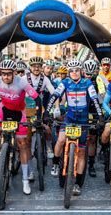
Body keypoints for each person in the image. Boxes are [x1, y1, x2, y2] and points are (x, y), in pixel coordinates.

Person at [44, 59, 104, 196]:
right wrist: (47, 112)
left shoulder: (87, 83)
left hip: (83, 120)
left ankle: (78, 183)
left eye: (77, 70)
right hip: (70, 119)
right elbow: (55, 96)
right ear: (69, 72)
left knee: (82, 152)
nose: (75, 73)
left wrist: (100, 116)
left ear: (81, 71)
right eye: (72, 71)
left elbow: (94, 99)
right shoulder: (65, 82)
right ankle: (55, 163)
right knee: (60, 140)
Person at [0, 59, 38, 195]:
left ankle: (25, 179)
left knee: (23, 144)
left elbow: (37, 98)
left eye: (8, 74)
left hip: (19, 113)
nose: (6, 77)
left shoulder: (22, 82)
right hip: (3, 109)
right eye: (3, 74)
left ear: (14, 73)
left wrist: (41, 117)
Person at [24, 56, 56, 180]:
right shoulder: (24, 78)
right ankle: (30, 171)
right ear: (30, 67)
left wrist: (56, 107)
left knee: (47, 128)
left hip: (39, 108)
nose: (36, 68)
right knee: (27, 143)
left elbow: (54, 93)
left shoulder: (45, 79)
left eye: (38, 66)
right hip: (26, 109)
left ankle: (48, 147)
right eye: (34, 66)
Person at [83, 59, 104, 177]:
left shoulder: (99, 80)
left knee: (92, 138)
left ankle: (91, 164)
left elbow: (102, 93)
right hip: (79, 110)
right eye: (87, 74)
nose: (90, 77)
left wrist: (103, 106)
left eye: (92, 74)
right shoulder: (77, 79)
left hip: (93, 110)